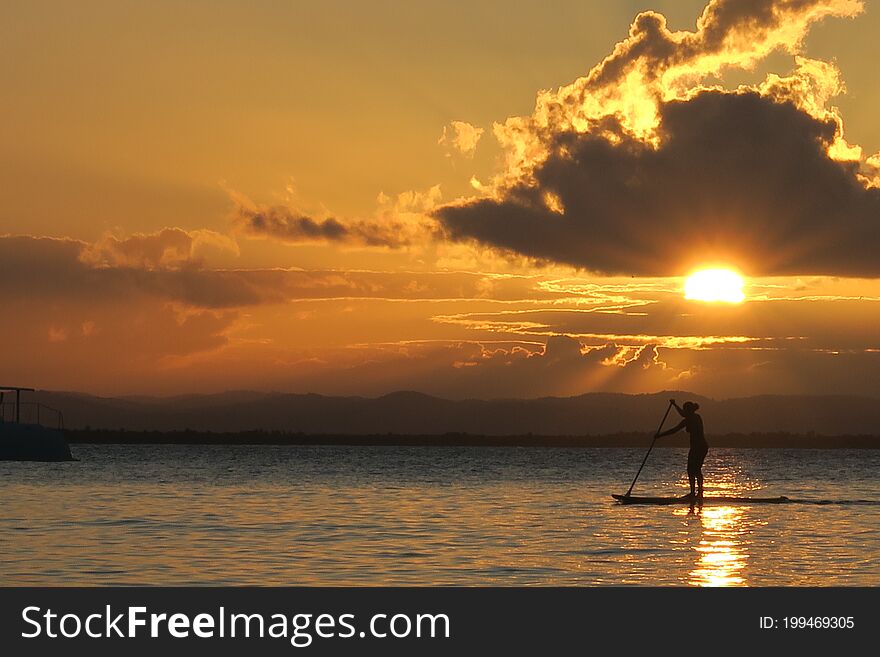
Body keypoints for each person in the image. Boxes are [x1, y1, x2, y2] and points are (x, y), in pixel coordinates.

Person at [656, 399, 708, 499]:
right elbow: (679, 420)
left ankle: (697, 493)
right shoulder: (692, 418)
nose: (684, 413)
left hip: (699, 447)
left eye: (685, 410)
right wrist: (675, 405)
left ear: (688, 411)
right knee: (694, 469)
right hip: (699, 447)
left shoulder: (693, 418)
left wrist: (660, 435)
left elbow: (676, 427)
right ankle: (696, 493)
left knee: (694, 469)